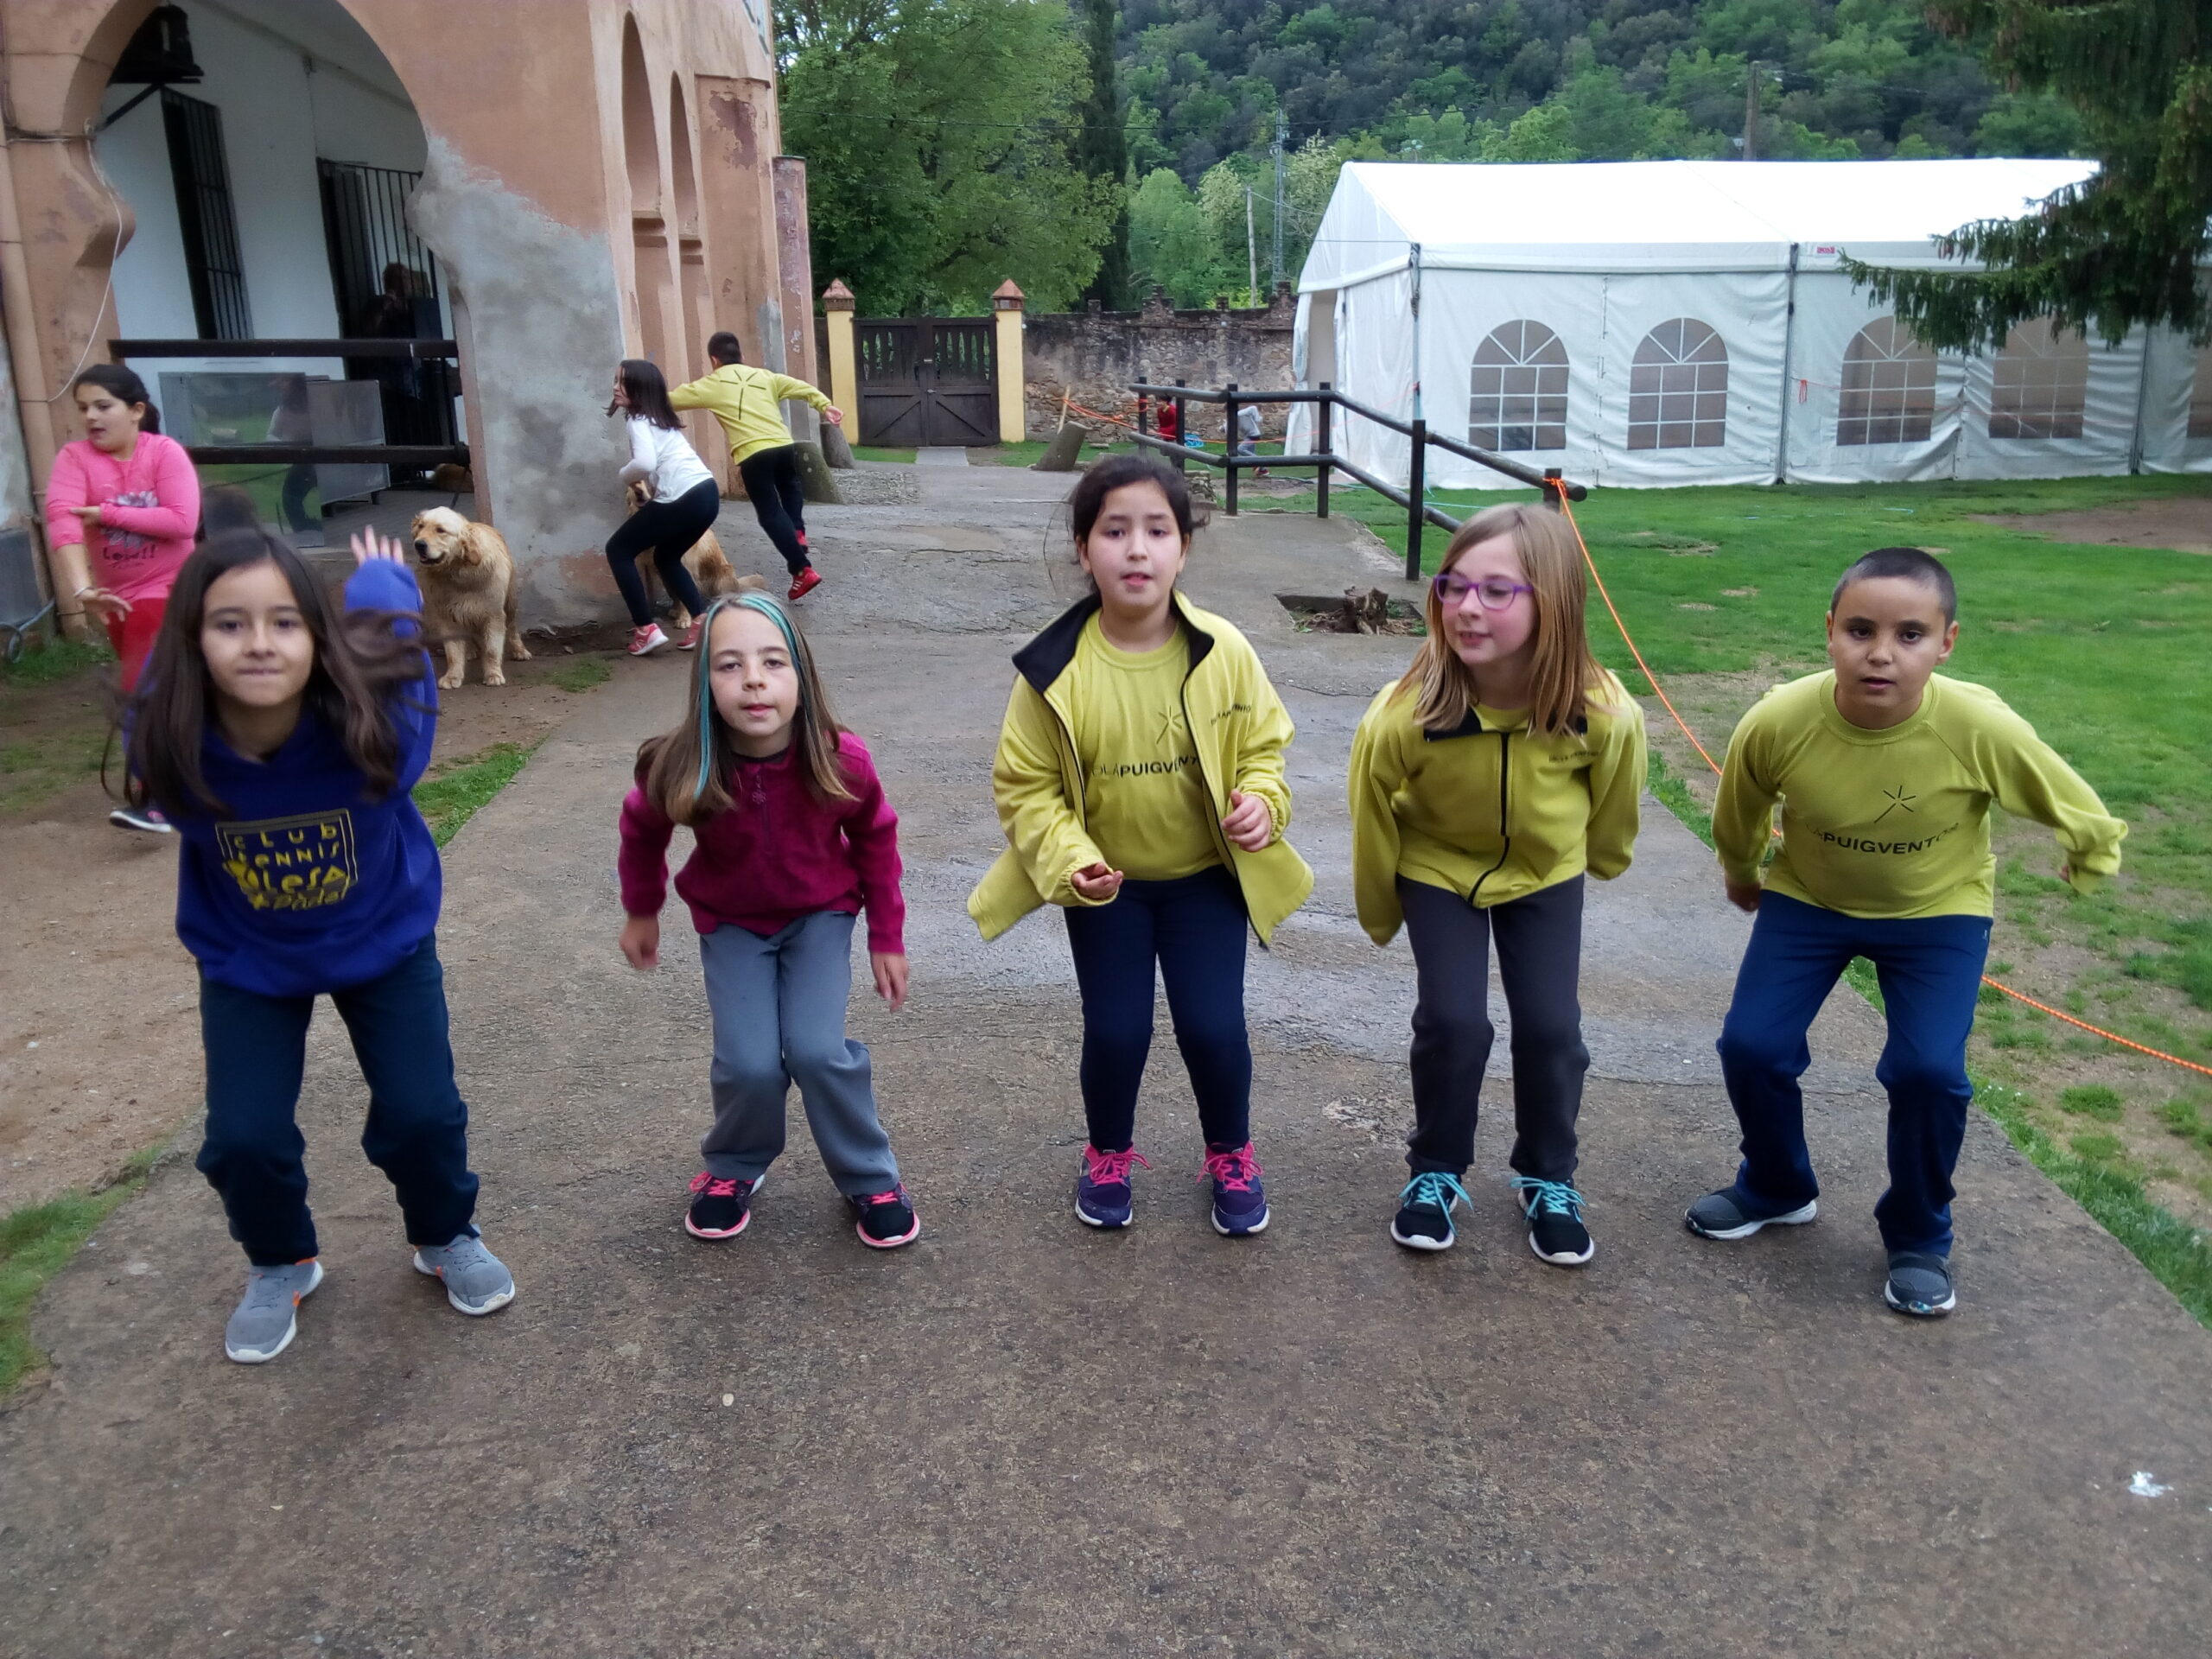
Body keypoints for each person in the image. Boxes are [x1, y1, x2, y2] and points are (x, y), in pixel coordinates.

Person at [119, 496, 515, 1363]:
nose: (259, 642)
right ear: (194, 643)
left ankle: (443, 1232)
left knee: (422, 1114)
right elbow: (149, 692)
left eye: (284, 622)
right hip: (249, 956)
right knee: (244, 1137)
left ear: (320, 639)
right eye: (229, 624)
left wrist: (384, 588)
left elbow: (397, 645)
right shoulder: (173, 743)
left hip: (383, 938)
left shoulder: (377, 723)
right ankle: (280, 1259)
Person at [1687, 546, 2126, 1318]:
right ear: (1830, 630)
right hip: (1810, 900)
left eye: (1910, 635)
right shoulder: (1780, 721)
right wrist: (1742, 870)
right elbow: (1742, 805)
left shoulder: (1977, 726)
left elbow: (2070, 799)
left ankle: (1920, 1234)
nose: (1881, 653)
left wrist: (2089, 854)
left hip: (1938, 912)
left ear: (1946, 642)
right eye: (1860, 630)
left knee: (1929, 1071)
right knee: (1751, 1045)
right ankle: (1777, 1185)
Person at [969, 454, 1313, 1236]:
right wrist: (1071, 861)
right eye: (1114, 530)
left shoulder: (1223, 649)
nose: (1136, 549)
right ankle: (1108, 1154)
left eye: (1158, 531)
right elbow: (1025, 785)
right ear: (1083, 549)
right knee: (1117, 1030)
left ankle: (1231, 1153)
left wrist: (1263, 803)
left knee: (1213, 1027)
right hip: (1107, 888)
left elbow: (1265, 748)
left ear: (1183, 549)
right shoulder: (1051, 670)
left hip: (1206, 881)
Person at [1348, 505, 1646, 1265]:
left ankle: (1548, 1176)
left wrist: (1602, 858)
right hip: (1438, 868)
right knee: (1454, 1024)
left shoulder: (1602, 712)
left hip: (1545, 874)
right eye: (1453, 586)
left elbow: (1616, 797)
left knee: (1551, 1030)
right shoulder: (1408, 712)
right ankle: (1436, 1170)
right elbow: (1371, 810)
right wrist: (1380, 907)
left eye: (1497, 591)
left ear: (1554, 602)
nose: (1466, 607)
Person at [617, 592, 918, 1248]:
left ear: (801, 677)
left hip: (820, 917)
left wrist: (886, 936)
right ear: (705, 683)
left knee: (816, 1050)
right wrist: (642, 909)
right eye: (730, 665)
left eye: (772, 662)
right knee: (748, 1063)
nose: (753, 679)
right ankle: (733, 1167)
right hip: (733, 925)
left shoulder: (840, 759)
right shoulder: (683, 763)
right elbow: (642, 829)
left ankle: (870, 1176)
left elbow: (877, 839)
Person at [43, 362, 203, 832]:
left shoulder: (163, 453)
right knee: (173, 691)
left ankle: (157, 798)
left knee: (140, 690)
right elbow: (63, 522)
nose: (90, 417)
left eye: (102, 406)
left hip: (173, 588)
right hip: (116, 600)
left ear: (136, 410)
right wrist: (83, 589)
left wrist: (107, 513)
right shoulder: (74, 459)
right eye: (83, 409)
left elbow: (182, 522)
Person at [670, 332, 843, 603]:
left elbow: (671, 399)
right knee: (791, 487)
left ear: (714, 360)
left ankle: (802, 570)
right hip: (783, 445)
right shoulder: (765, 377)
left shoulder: (711, 384)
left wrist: (638, 397)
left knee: (770, 512)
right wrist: (825, 405)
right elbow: (801, 387)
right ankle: (797, 531)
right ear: (741, 356)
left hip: (753, 453)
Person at [606, 358, 721, 657]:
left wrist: (624, 476)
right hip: (707, 494)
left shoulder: (638, 420)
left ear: (641, 388)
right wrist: (648, 494)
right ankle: (701, 620)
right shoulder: (661, 419)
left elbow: (645, 463)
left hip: (684, 497)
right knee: (667, 557)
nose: (615, 387)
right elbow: (664, 467)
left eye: (623, 382)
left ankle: (645, 630)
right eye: (615, 380)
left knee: (618, 550)